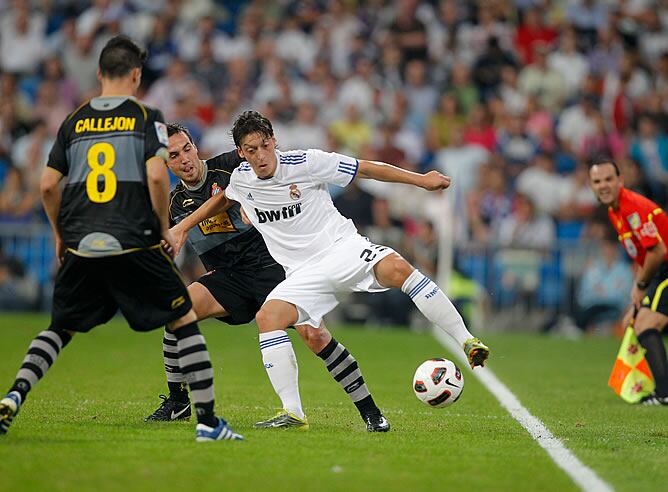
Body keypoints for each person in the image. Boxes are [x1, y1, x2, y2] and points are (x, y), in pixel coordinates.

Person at [176, 111, 490, 425]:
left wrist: (421, 180)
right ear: (241, 153)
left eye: (264, 145)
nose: (260, 156)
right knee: (268, 317)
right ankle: (293, 413)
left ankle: (466, 340)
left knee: (399, 269)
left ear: (273, 141)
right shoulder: (241, 180)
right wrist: (181, 228)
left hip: (342, 249)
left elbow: (366, 169)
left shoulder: (306, 162)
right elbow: (221, 201)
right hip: (301, 274)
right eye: (251, 150)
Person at [0, 36, 243, 441]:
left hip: (81, 241)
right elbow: (153, 175)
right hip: (131, 239)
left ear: (99, 74)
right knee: (182, 317)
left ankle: (13, 396)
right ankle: (207, 421)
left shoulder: (73, 119)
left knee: (60, 328)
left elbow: (46, 186)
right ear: (135, 75)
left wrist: (62, 235)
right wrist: (161, 226)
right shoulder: (147, 117)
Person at [146, 123, 389, 432]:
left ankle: (371, 411)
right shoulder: (173, 203)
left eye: (188, 149)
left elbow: (273, 169)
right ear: (165, 164)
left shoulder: (232, 165)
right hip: (228, 278)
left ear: (195, 147)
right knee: (176, 311)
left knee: (314, 336)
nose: (185, 159)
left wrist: (254, 203)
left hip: (274, 268)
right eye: (174, 155)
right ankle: (177, 402)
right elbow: (161, 244)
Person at [589, 158, 668, 405]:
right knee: (640, 321)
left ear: (620, 181)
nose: (603, 185)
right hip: (659, 271)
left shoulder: (632, 207)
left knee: (646, 323)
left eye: (608, 179)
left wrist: (642, 286)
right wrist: (637, 289)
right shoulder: (615, 211)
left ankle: (664, 393)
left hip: (665, 268)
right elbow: (644, 255)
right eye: (597, 181)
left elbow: (657, 251)